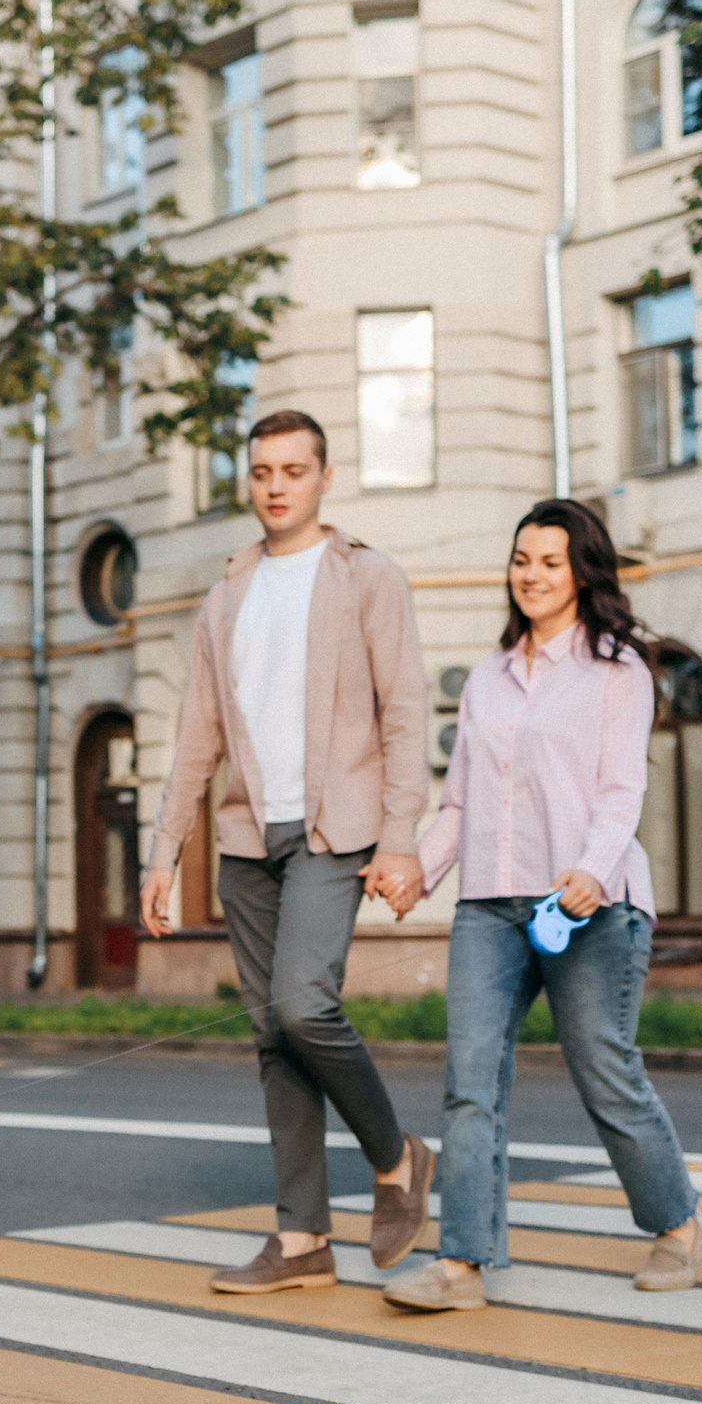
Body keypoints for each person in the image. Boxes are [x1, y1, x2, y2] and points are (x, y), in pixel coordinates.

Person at [378, 498, 702, 1312]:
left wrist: (593, 870)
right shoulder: (488, 677)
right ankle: (464, 1264)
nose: (531, 574)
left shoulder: (617, 668)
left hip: (588, 903)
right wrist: (418, 870)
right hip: (489, 905)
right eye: (521, 559)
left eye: (549, 561)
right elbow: (461, 802)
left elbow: (621, 786)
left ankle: (678, 1223)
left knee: (604, 1068)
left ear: (582, 570)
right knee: (469, 1083)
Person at [141, 409, 435, 1295]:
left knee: (305, 1005)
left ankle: (397, 1155)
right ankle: (303, 1239)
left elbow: (406, 713)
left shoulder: (367, 578)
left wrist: (402, 837)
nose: (276, 486)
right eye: (262, 471)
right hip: (244, 836)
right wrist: (164, 852)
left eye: (293, 470)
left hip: (331, 829)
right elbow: (197, 734)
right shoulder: (226, 594)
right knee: (273, 1035)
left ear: (324, 478)